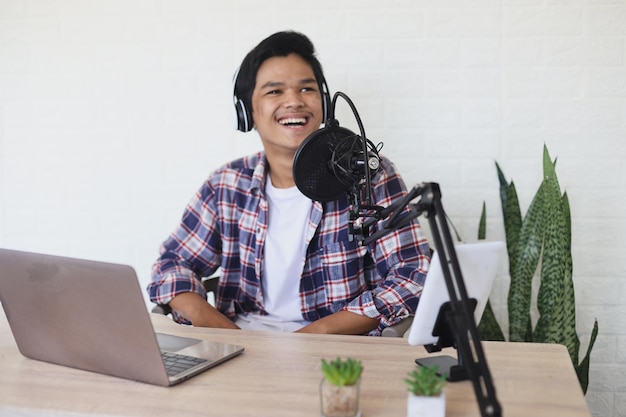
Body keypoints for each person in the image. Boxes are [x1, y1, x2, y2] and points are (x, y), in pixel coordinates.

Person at [148, 30, 430, 336]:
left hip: (337, 351)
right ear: (247, 111)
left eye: (306, 88)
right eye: (274, 91)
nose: (294, 102)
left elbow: (412, 274)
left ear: (323, 102)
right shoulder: (225, 185)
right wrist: (224, 333)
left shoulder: (367, 173)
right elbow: (171, 264)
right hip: (243, 345)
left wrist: (314, 337)